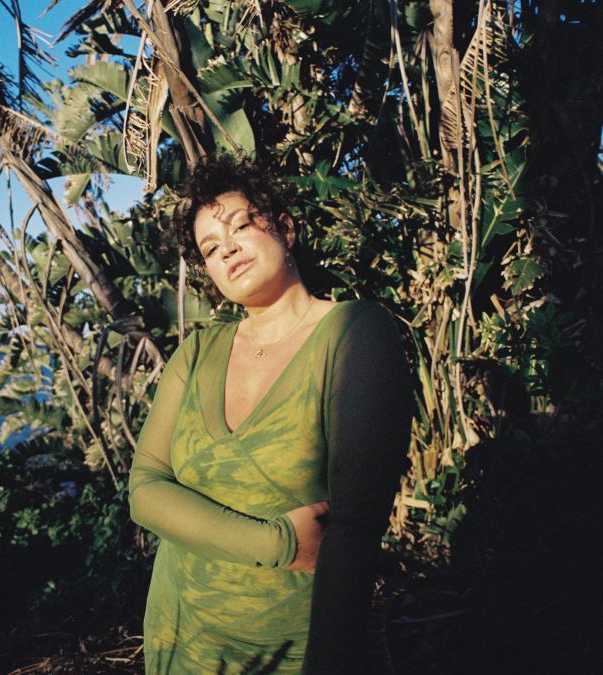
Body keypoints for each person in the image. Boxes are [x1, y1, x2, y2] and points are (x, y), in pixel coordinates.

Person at [128, 154, 412, 673]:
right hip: (181, 641)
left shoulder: (353, 333)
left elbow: (354, 532)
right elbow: (145, 489)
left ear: (285, 228)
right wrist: (276, 542)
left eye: (240, 226)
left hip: (296, 650)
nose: (227, 248)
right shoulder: (196, 353)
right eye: (210, 248)